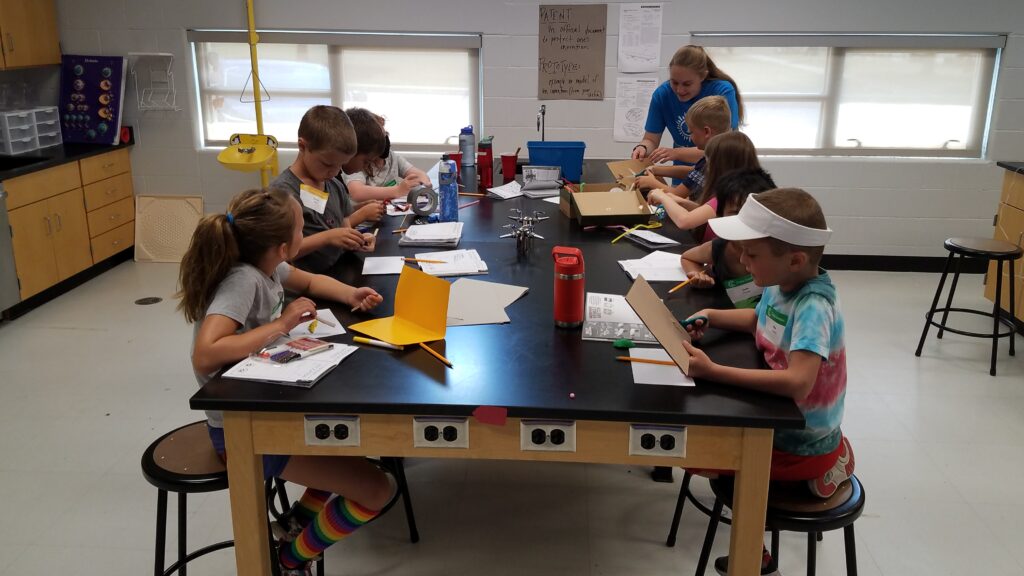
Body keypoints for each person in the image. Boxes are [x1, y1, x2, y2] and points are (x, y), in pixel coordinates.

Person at [177, 187, 391, 576]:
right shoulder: (242, 280)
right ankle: (289, 560)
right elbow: (205, 353)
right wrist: (281, 324)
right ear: (282, 245)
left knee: (341, 452)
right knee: (377, 490)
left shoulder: (269, 265)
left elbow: (309, 283)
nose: (304, 234)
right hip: (244, 429)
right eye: (299, 228)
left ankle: (292, 525)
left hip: (266, 405)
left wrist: (352, 292)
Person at [681, 188, 855, 575]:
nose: (741, 260)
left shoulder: (813, 308)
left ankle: (754, 553)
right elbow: (759, 320)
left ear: (794, 259)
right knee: (702, 451)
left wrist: (714, 372)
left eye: (752, 254)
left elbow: (797, 383)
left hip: (801, 439)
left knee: (709, 453)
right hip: (776, 416)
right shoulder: (779, 284)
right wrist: (711, 314)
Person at [270, 105, 378, 274]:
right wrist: (328, 237)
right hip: (303, 286)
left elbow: (345, 225)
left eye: (340, 165)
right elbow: (280, 253)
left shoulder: (334, 185)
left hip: (337, 273)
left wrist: (356, 240)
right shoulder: (283, 193)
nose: (334, 172)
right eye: (327, 164)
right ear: (302, 146)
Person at [631, 45, 744, 184]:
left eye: (687, 84)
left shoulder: (722, 91)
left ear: (703, 76)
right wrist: (642, 148)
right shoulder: (662, 95)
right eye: (674, 82)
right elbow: (651, 140)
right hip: (684, 173)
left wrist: (675, 153)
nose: (679, 89)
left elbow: (719, 151)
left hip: (718, 174)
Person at [680, 168, 776, 309]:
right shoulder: (720, 248)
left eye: (752, 212)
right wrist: (695, 274)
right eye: (736, 212)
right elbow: (687, 257)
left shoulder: (778, 253)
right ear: (721, 215)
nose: (744, 220)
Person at [647, 131, 761, 241]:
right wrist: (681, 202)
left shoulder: (731, 196)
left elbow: (684, 221)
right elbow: (710, 212)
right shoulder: (744, 188)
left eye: (709, 161)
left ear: (720, 164)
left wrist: (663, 196)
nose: (706, 166)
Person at [634, 95, 731, 201]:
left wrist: (651, 182)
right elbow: (692, 173)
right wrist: (656, 170)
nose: (690, 136)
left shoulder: (713, 162)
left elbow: (677, 194)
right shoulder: (719, 155)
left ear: (707, 131)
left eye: (691, 132)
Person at [343, 112, 432, 201]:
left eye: (385, 134)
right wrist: (397, 190)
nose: (385, 140)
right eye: (381, 136)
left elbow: (418, 174)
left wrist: (423, 185)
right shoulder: (357, 164)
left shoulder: (391, 157)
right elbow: (357, 192)